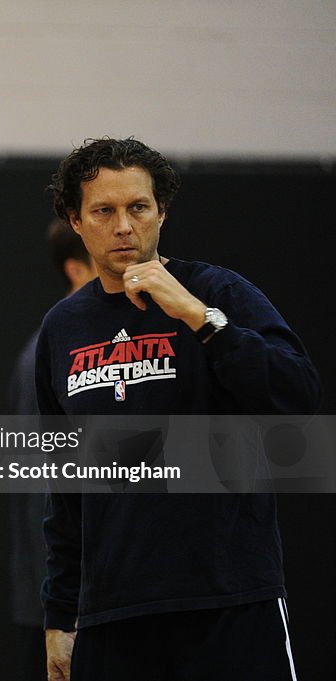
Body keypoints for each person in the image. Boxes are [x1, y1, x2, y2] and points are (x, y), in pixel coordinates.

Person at [35, 137, 321, 680]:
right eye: (104, 210)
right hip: (113, 614)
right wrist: (59, 614)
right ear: (76, 221)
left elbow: (299, 395)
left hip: (228, 599)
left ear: (161, 212)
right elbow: (65, 483)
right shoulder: (63, 328)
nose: (124, 225)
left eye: (138, 208)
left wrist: (199, 317)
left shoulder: (217, 292)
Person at [5, 219, 95, 680]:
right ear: (76, 270)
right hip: (70, 599)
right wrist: (63, 603)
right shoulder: (51, 352)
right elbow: (43, 483)